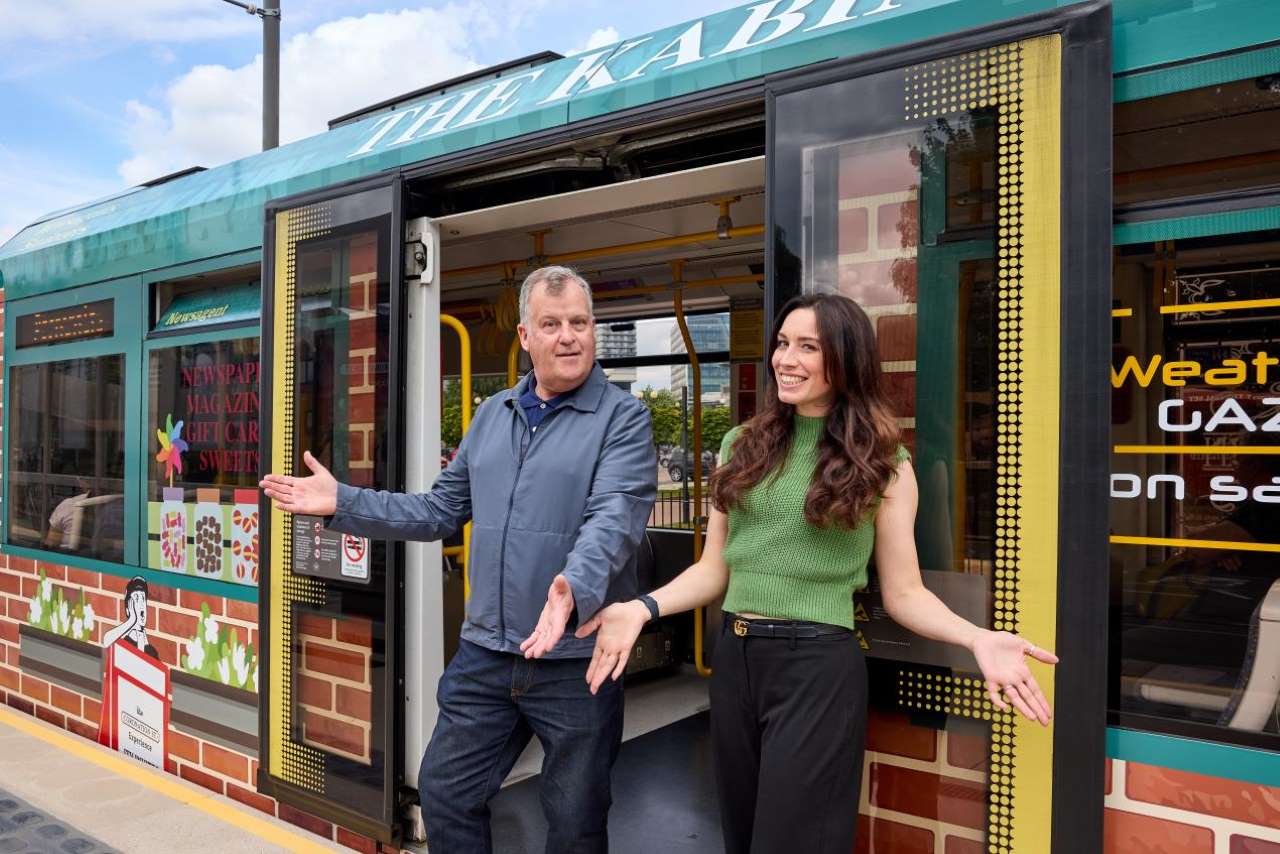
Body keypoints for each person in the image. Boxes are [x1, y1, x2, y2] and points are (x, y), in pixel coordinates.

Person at [575, 293, 1057, 854]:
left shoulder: (884, 463)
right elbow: (715, 570)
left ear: (844, 361)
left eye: (808, 347)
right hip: (735, 659)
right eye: (783, 343)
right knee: (742, 835)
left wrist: (977, 637)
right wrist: (641, 607)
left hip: (817, 668)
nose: (787, 358)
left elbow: (904, 593)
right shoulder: (742, 444)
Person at [261, 266, 656, 854]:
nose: (568, 336)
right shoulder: (492, 414)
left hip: (576, 658)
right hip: (486, 656)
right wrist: (343, 501)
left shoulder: (624, 419)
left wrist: (572, 586)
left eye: (579, 322)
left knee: (576, 817)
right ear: (525, 337)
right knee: (446, 792)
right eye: (551, 325)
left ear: (594, 329)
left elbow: (614, 517)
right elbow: (439, 509)